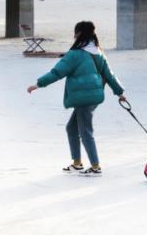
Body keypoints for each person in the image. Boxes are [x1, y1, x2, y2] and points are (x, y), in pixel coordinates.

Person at [27, 21, 125, 177]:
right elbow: (109, 75)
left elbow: (57, 72)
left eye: (75, 32)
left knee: (85, 131)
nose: (74, 35)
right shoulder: (98, 52)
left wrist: (38, 84)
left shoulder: (76, 54)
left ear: (79, 34)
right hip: (94, 96)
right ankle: (77, 163)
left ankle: (95, 166)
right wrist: (119, 92)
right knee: (71, 128)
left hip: (83, 97)